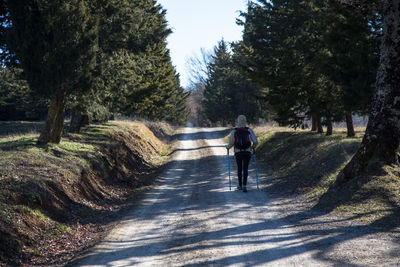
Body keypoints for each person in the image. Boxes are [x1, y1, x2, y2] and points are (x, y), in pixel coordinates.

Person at [226, 115, 258, 192]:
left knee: (239, 168)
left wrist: (227, 147)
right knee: (245, 168)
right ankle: (244, 185)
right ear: (245, 121)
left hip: (238, 152)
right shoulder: (249, 130)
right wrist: (253, 147)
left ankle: (239, 185)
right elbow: (255, 142)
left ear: (238, 121)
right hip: (247, 152)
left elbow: (231, 143)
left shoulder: (235, 131)